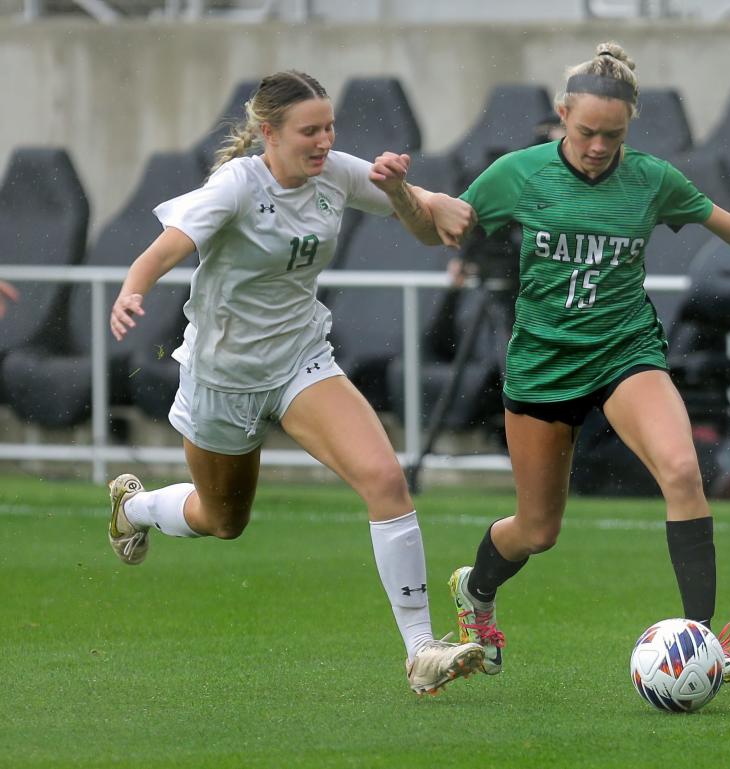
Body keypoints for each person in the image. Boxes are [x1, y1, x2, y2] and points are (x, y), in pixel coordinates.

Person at [370, 42, 730, 681]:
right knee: (537, 529)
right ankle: (477, 588)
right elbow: (435, 231)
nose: (597, 146)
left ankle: (701, 645)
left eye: (612, 134)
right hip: (542, 367)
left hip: (626, 353)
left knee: (682, 472)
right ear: (562, 115)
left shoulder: (652, 179)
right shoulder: (517, 174)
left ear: (629, 125)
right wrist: (402, 195)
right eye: (585, 132)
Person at [107, 70, 483, 695]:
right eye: (310, 131)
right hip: (223, 377)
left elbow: (420, 225)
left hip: (300, 361)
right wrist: (131, 290)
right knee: (223, 520)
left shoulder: (333, 170)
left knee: (386, 478)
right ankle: (136, 508)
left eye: (330, 127)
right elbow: (165, 249)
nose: (324, 141)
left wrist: (413, 197)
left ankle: (421, 649)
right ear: (268, 134)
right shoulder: (235, 185)